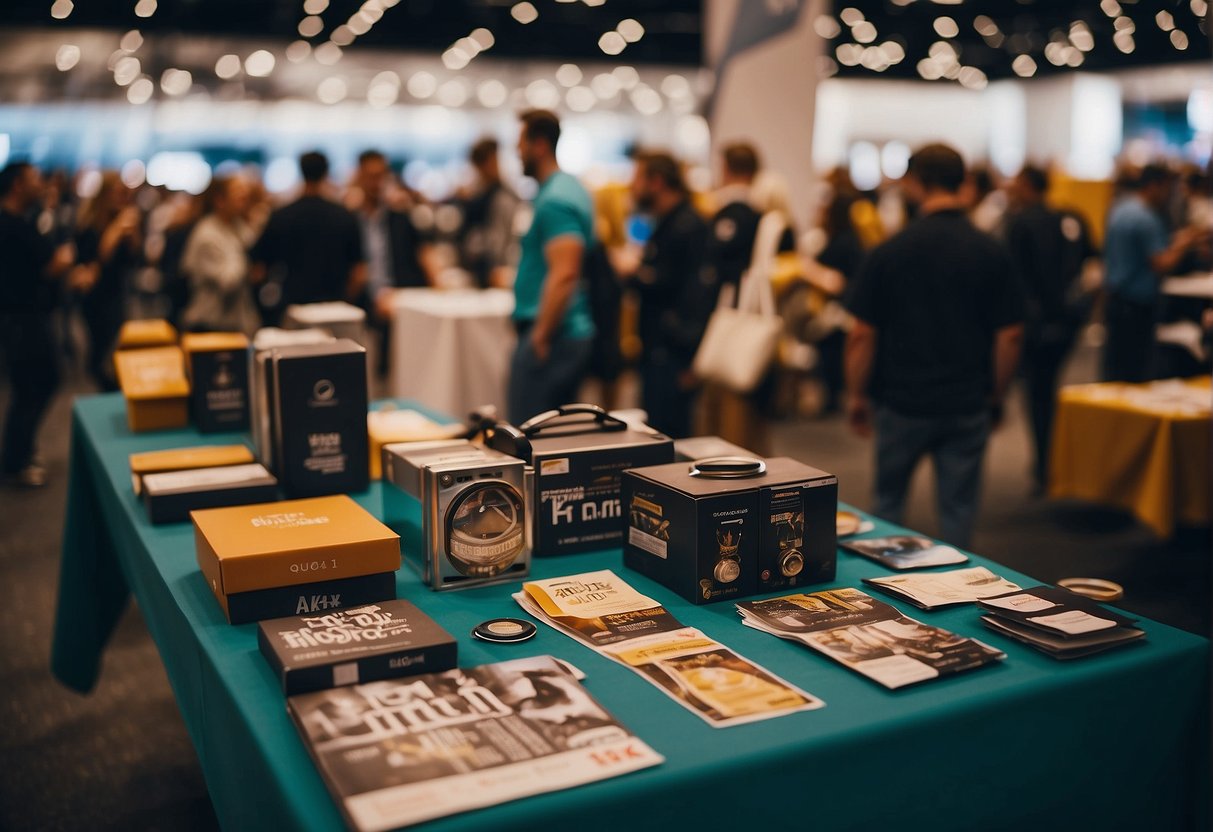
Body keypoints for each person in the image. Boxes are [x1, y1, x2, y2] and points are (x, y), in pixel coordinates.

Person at [844, 143, 1025, 549]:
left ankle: (883, 597)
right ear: (963, 182)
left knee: (887, 508)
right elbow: (1010, 335)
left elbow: (861, 334)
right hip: (966, 401)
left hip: (900, 401)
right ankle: (957, 597)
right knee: (958, 512)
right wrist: (996, 392)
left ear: (913, 184)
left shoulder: (889, 252)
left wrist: (857, 394)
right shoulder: (990, 251)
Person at [1005, 165, 1095, 493]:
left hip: (1036, 326)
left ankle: (1045, 467)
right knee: (1050, 393)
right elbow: (1093, 262)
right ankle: (1053, 465)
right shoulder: (1070, 218)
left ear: (1027, 185)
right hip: (1067, 323)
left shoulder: (1019, 223)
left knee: (1039, 396)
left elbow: (1013, 277)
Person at [508, 110, 596, 424]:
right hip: (557, 330)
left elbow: (565, 272)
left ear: (539, 145)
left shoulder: (556, 198)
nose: (517, 152)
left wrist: (542, 335)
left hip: (555, 332)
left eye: (521, 144)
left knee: (531, 440)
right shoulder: (559, 190)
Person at [617, 151, 709, 438]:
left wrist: (632, 273)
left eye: (636, 179)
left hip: (673, 352)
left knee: (670, 439)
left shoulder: (687, 226)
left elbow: (688, 292)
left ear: (656, 182)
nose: (632, 187)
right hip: (660, 348)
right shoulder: (670, 222)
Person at [0, 162, 75, 486]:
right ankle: (16, 459)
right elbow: (49, 264)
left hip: (27, 317)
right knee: (34, 383)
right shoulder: (10, 225)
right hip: (21, 319)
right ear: (17, 184)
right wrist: (60, 262)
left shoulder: (21, 221)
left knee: (32, 384)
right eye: (33, 179)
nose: (41, 183)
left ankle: (19, 452)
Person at [1102, 164, 1208, 383]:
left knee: (1114, 369)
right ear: (1154, 186)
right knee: (1135, 372)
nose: (1170, 195)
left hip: (1115, 298)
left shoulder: (1121, 209)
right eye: (1168, 188)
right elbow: (1161, 263)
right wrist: (1186, 244)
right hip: (1136, 305)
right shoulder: (1146, 219)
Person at [250, 151, 365, 326]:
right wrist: (346, 298)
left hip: (292, 307)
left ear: (301, 171)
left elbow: (258, 269)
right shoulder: (344, 216)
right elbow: (358, 271)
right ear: (326, 173)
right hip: (335, 307)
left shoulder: (281, 216)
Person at [74, 171, 141, 390]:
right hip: (96, 295)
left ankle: (112, 390)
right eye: (119, 193)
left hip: (117, 293)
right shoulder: (90, 225)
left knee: (115, 347)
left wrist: (132, 236)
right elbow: (100, 256)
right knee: (98, 350)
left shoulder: (122, 220)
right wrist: (117, 229)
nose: (123, 198)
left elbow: (135, 259)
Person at [179, 175, 260, 335]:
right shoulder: (207, 235)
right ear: (220, 200)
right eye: (238, 193)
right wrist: (246, 259)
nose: (244, 199)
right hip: (210, 325)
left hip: (235, 323)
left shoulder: (238, 225)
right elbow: (229, 282)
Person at [459, 138, 520, 289]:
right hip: (480, 266)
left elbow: (506, 236)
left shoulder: (505, 195)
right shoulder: (476, 195)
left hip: (498, 268)